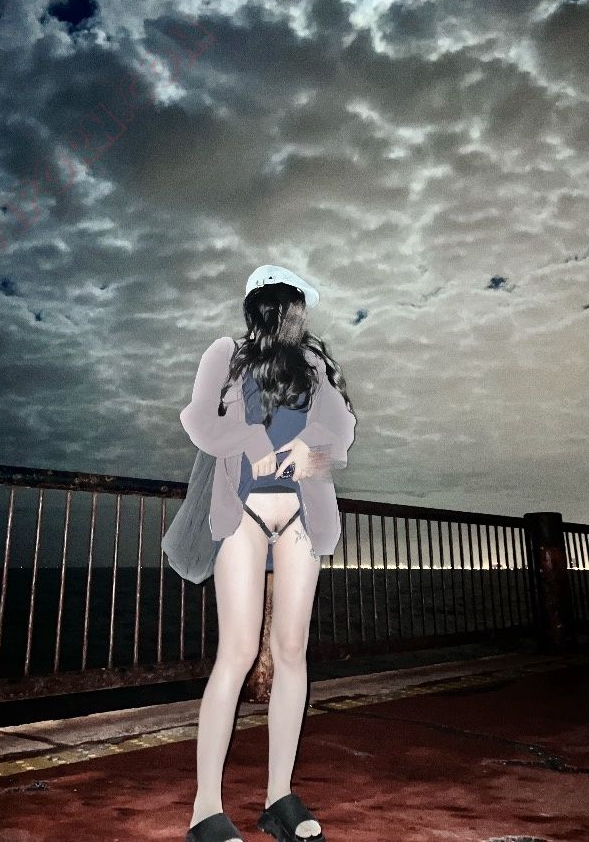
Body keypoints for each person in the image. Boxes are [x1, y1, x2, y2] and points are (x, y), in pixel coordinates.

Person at [182, 265, 357, 842]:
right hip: (244, 513)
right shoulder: (226, 354)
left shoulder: (313, 365)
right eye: (274, 302)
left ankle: (279, 796)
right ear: (258, 306)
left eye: (290, 304)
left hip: (302, 514)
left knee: (291, 652)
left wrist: (307, 449)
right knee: (235, 652)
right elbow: (199, 420)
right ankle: (206, 808)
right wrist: (253, 441)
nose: (283, 313)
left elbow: (342, 434)